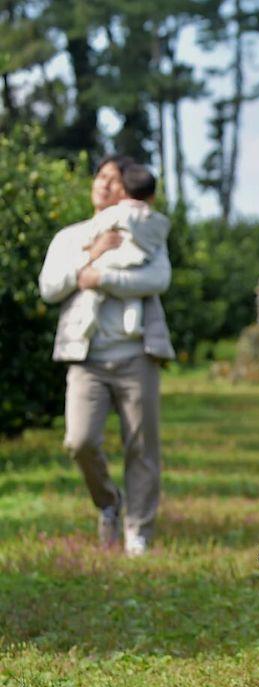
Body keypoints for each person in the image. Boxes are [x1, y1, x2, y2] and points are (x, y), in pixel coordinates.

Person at [38, 155, 176, 557]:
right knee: (79, 441)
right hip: (86, 356)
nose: (104, 184)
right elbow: (51, 287)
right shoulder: (70, 237)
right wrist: (92, 253)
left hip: (136, 352)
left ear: (126, 192)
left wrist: (102, 278)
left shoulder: (146, 232)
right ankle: (108, 502)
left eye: (114, 180)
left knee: (141, 446)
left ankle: (139, 532)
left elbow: (158, 279)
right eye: (100, 177)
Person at [68, 163, 171, 341]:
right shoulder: (157, 221)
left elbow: (98, 227)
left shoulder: (117, 212)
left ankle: (88, 316)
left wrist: (90, 246)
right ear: (152, 197)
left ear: (123, 191)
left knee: (93, 290)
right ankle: (132, 326)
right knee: (134, 296)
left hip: (114, 259)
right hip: (139, 262)